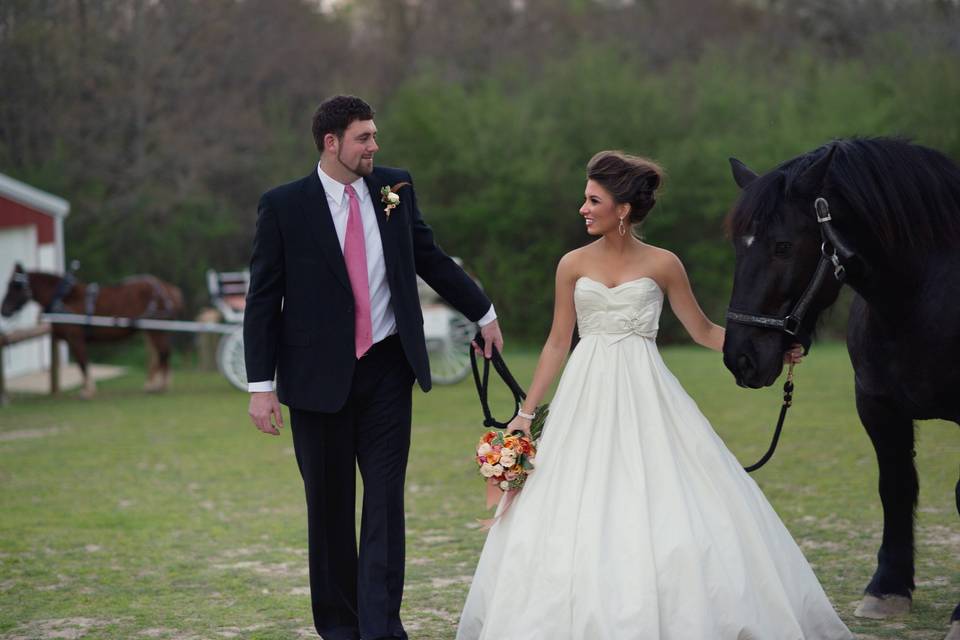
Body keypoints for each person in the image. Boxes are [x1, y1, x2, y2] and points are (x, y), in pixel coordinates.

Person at [456, 151, 851, 640]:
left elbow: (705, 330)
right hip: (587, 392)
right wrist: (525, 413)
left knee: (664, 492)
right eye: (585, 198)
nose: (583, 207)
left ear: (622, 209)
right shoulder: (571, 265)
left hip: (646, 389)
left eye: (593, 199)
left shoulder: (664, 264)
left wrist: (773, 345)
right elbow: (558, 341)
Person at [243, 95, 504, 640]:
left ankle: (382, 629)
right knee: (331, 509)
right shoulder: (284, 205)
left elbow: (429, 257)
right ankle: (340, 627)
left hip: (388, 369)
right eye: (364, 137)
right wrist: (260, 386)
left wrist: (482, 312)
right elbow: (263, 299)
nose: (374, 147)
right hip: (317, 383)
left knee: (385, 503)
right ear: (331, 142)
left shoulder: (395, 188)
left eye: (374, 136)